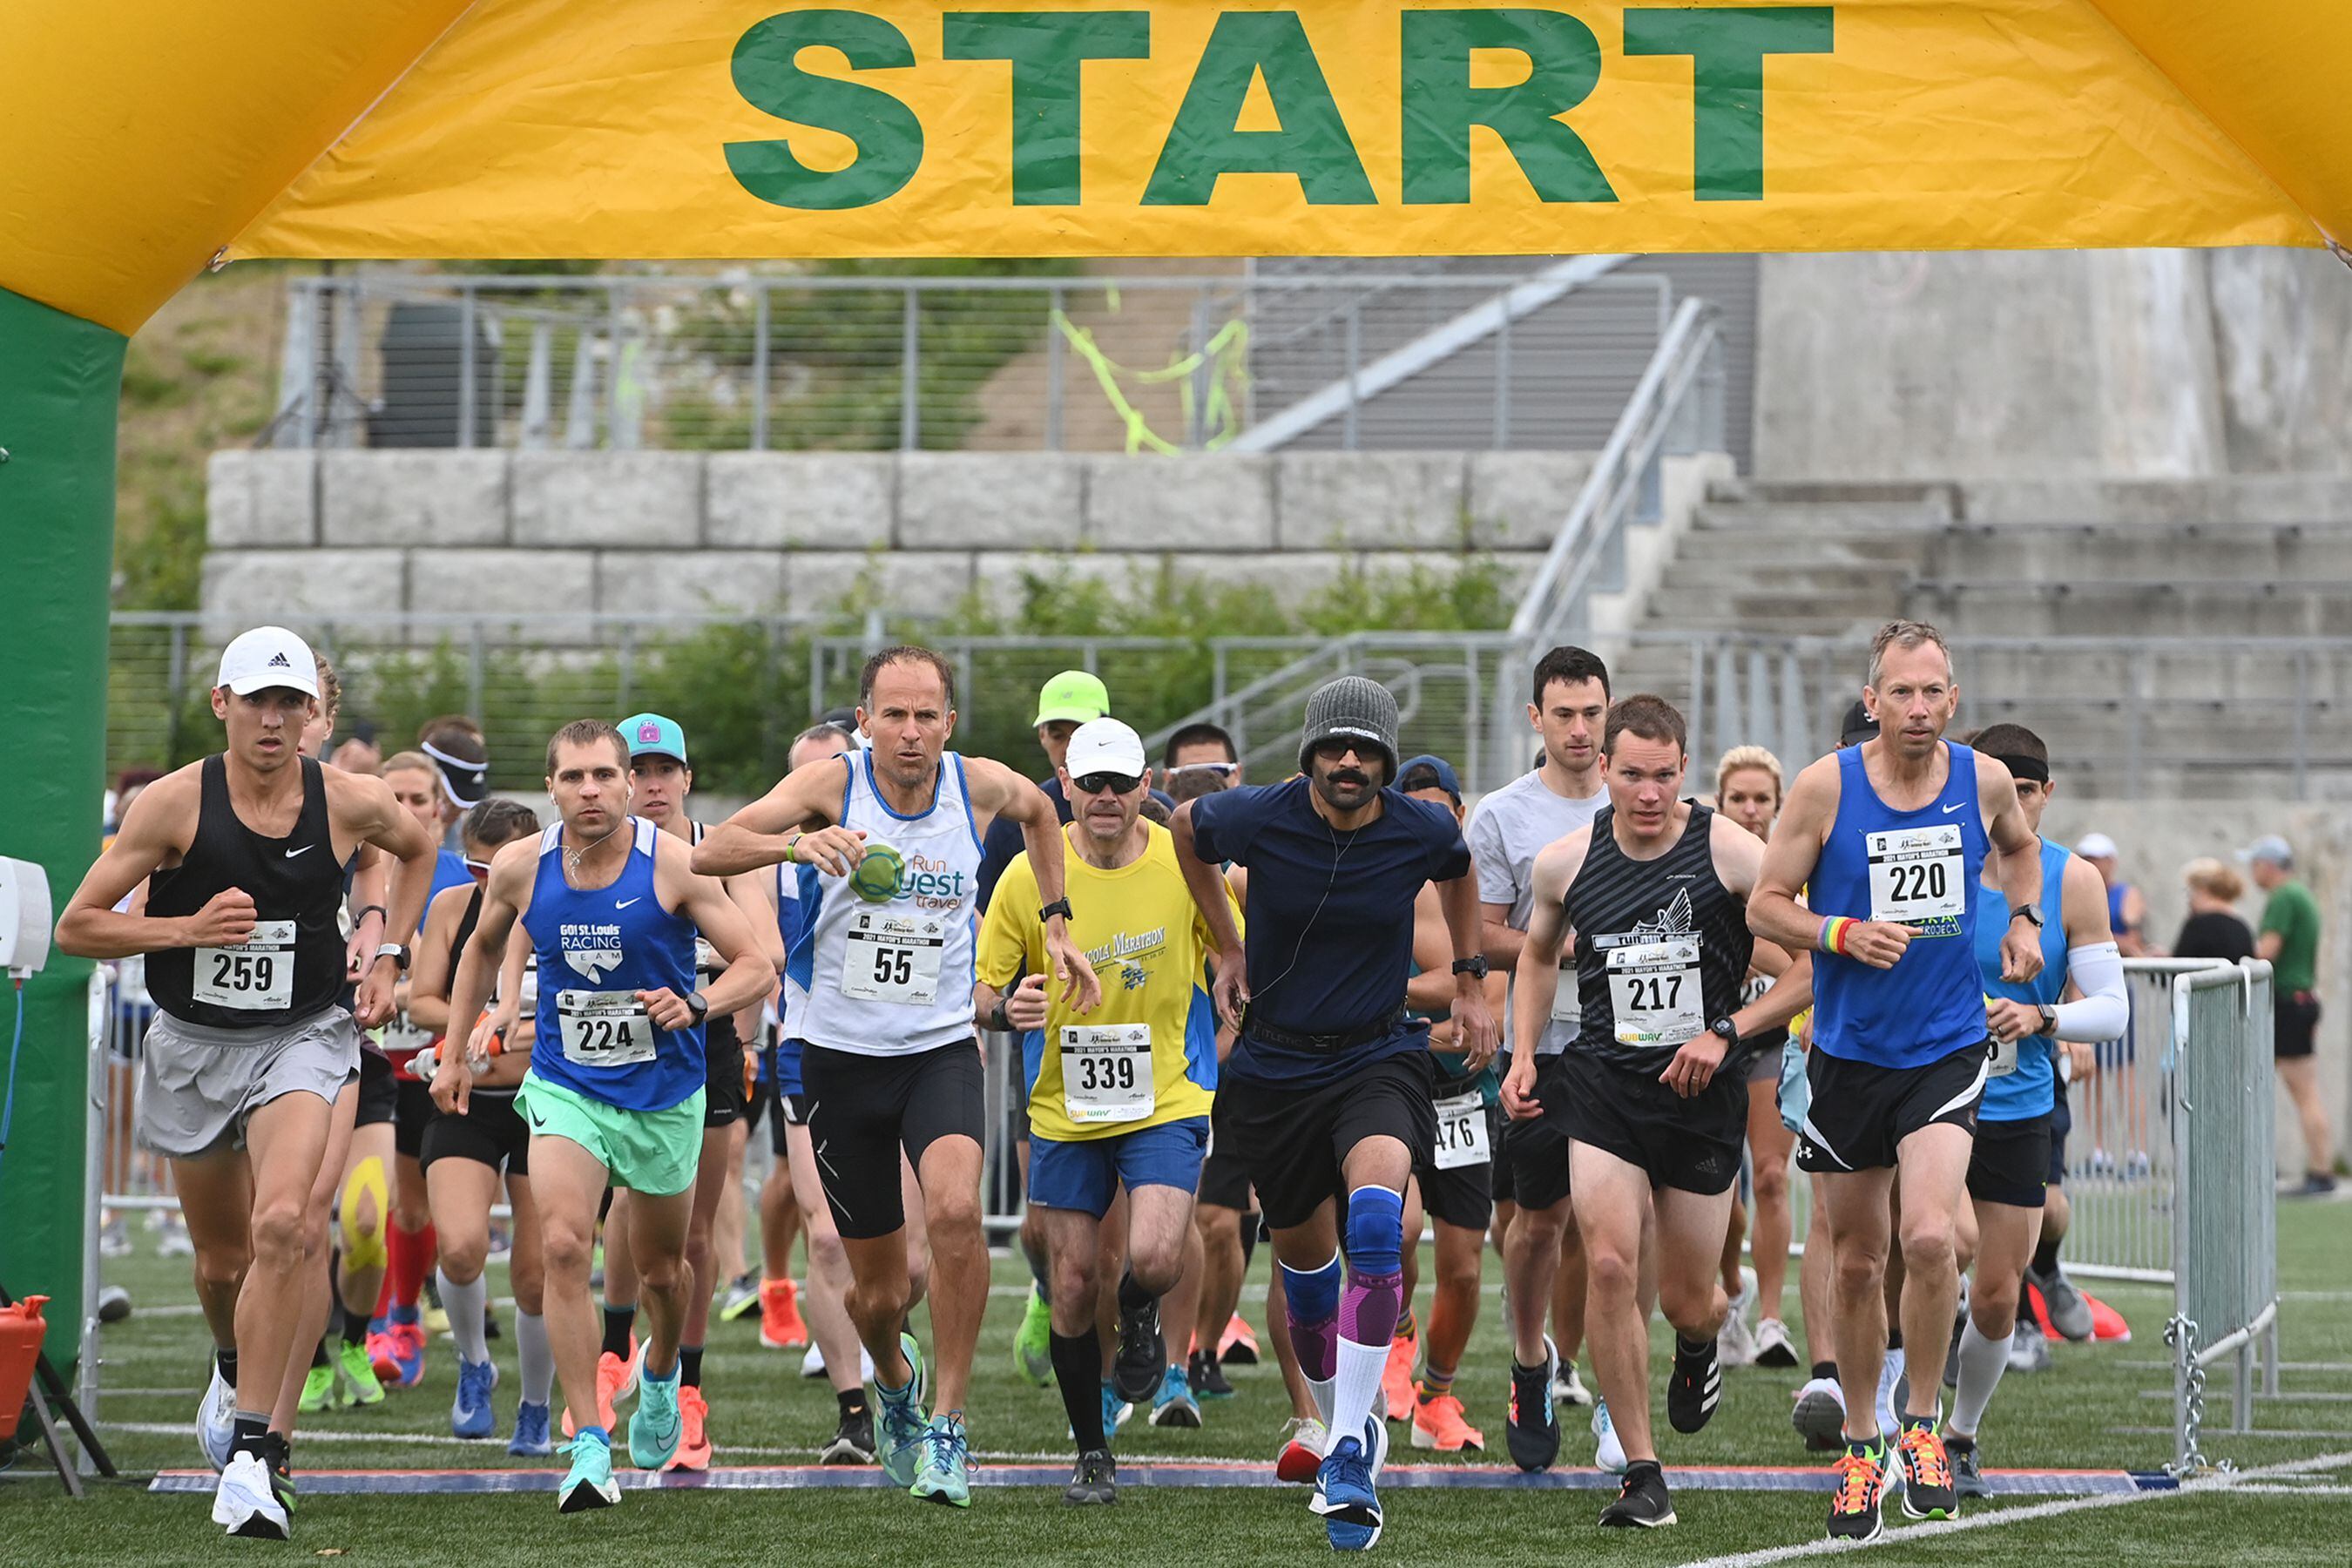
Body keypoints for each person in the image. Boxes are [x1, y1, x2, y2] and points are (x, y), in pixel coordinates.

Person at [693, 646, 1101, 1508]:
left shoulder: (977, 785)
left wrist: (1056, 920)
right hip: (841, 1061)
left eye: (927, 715)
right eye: (895, 714)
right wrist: (801, 846)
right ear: (864, 720)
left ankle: (950, 1425)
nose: (911, 732)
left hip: (940, 1049)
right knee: (880, 1294)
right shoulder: (831, 787)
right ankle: (893, 1378)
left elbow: (1041, 811)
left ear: (948, 724)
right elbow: (714, 850)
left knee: (956, 1211)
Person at [56, 625, 436, 1540]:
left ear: (311, 715)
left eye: (290, 703)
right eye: (255, 700)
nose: (273, 719)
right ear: (221, 705)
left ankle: (256, 1453)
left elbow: (414, 846)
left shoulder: (347, 798)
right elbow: (78, 926)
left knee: (289, 1226)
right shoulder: (171, 807)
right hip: (194, 1043)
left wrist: (385, 948)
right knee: (224, 1261)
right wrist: (184, 932)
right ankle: (233, 1365)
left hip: (305, 1034)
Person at [1173, 675, 1497, 1553]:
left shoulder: (1419, 827)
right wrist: (1227, 943)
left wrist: (1468, 979)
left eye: (1365, 749)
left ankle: (1350, 1448)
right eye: (1333, 747)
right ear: (1310, 755)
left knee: (1379, 1221)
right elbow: (1183, 830)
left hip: (1377, 1058)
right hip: (1275, 1068)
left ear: (1386, 762)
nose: (1348, 760)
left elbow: (1461, 871)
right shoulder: (1260, 816)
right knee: (1311, 1300)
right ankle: (1340, 1395)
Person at [1749, 620, 2044, 1541]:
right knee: (1858, 1259)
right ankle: (1862, 1442)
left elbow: (2021, 846)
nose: (1918, 709)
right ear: (1871, 701)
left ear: (1953, 701)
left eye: (1934, 692)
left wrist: (2025, 920)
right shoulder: (1822, 788)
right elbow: (1764, 903)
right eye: (1901, 693)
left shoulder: (1981, 779)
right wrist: (1840, 934)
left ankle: (1922, 1425)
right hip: (1847, 1054)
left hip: (1948, 1048)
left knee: (1928, 1237)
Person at [435, 720, 774, 1512]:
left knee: (663, 1271)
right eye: (572, 778)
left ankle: (659, 1370)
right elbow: (481, 950)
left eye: (603, 777)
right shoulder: (521, 866)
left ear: (628, 787)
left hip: (663, 1094)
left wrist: (696, 1001)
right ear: (550, 789)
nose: (590, 791)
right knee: (559, 1244)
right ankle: (589, 1441)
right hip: (565, 1084)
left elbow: (759, 963)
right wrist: (456, 1050)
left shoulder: (678, 867)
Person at [1509, 696, 1810, 1527]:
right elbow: (1536, 957)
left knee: (1689, 1298)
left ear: (1685, 770)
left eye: (1664, 776)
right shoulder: (1564, 862)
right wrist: (1528, 1051)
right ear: (1602, 768)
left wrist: (1727, 1031)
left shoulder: (1731, 851)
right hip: (1603, 1085)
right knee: (1608, 1263)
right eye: (1631, 775)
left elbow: (1806, 970)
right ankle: (1642, 1471)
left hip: (1700, 1096)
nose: (1647, 793)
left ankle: (1702, 1340)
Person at [977, 718, 1233, 1504]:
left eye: (1122, 783)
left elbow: (1235, 952)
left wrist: (1233, 1003)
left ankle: (1144, 1314)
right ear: (1067, 790)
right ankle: (1092, 1451)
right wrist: (1007, 1006)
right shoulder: (1030, 876)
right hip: (1065, 1105)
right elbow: (983, 992)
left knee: (1153, 1259)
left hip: (1165, 1094)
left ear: (1147, 786)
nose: (1107, 798)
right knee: (1072, 1280)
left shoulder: (1184, 863)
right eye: (1091, 784)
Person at [578, 713, 779, 1469]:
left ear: (687, 778)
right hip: (613, 1042)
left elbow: (766, 951)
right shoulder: (592, 851)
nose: (653, 785)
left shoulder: (715, 853)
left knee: (693, 1233)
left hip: (705, 1043)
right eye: (639, 770)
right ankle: (609, 1349)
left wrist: (705, 993)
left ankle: (685, 1388)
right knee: (624, 1206)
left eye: (666, 771)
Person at [1942, 723, 2126, 1497]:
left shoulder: (2071, 880)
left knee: (1993, 1293)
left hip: (2017, 1100)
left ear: (2045, 795)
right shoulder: (1934, 861)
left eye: (2024, 792)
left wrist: (2043, 1019)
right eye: (1996, 791)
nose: (2009, 806)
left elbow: (2113, 1010)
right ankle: (1891, 1422)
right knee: (1933, 1240)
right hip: (1928, 1092)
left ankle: (1960, 1432)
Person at [1467, 645, 1612, 1470]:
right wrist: (1558, 943)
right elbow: (1480, 935)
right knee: (1537, 1225)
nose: (1581, 729)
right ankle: (1531, 1360)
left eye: (1593, 712)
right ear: (1537, 719)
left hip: (1627, 1047)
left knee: (1615, 1229)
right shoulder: (1503, 815)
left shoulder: (1645, 801)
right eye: (1564, 714)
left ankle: (1610, 1394)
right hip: (1544, 1045)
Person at [762, 721, 893, 1463]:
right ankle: (853, 1411)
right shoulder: (770, 861)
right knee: (823, 1234)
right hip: (807, 1051)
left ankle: (896, 1366)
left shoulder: (901, 845)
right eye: (803, 781)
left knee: (906, 1259)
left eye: (833, 776)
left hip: (903, 1052)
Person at [406, 800, 555, 1451]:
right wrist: (487, 1028)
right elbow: (422, 1001)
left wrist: (504, 1027)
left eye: (509, 869)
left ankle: (536, 1404)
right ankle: (474, 1364)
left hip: (544, 1104)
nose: (493, 883)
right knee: (461, 1247)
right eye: (476, 869)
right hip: (466, 1097)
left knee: (537, 1273)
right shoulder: (450, 909)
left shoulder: (562, 903)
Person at [1389, 754, 1509, 1456]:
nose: (1433, 823)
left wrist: (1406, 1014)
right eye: (1419, 810)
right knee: (1396, 1231)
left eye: (1444, 811)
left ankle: (1438, 1394)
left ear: (1460, 818)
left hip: (1465, 1096)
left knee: (1463, 1266)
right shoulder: (1382, 887)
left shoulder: (1473, 894)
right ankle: (1396, 1334)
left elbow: (1481, 1011)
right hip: (1395, 1085)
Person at [1713, 745, 1796, 1370]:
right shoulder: (1706, 858)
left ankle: (1772, 1319)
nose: (1749, 809)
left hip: (1771, 1035)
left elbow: (1802, 955)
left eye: (1760, 799)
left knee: (1770, 1175)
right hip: (1712, 1038)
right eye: (1738, 798)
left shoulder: (1797, 863)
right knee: (1719, 1186)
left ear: (1777, 805)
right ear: (1720, 803)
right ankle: (1732, 1292)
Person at [2246, 836, 2335, 1195]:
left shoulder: (2284, 897)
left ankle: (2320, 1171)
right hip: (2298, 1001)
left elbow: (2265, 952)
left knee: (2304, 1092)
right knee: (2304, 1091)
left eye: (2254, 865)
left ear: (2268, 865)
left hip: (2288, 1003)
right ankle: (2319, 1170)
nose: (2252, 873)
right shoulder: (2299, 895)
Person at [2174, 859, 2256, 963]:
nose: (2189, 900)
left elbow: (2179, 966)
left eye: (2190, 891)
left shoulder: (2198, 925)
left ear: (2203, 891)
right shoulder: (2241, 927)